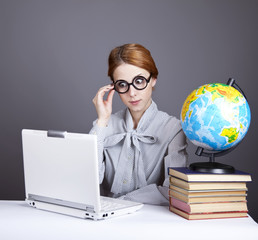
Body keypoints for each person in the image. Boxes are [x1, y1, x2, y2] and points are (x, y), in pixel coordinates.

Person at [90, 43, 188, 205]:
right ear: (113, 86)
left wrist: (124, 201)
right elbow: (86, 181)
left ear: (153, 79)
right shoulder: (104, 125)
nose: (132, 93)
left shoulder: (173, 128)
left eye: (139, 81)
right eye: (122, 84)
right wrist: (102, 121)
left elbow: (175, 190)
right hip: (105, 222)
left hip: (151, 222)